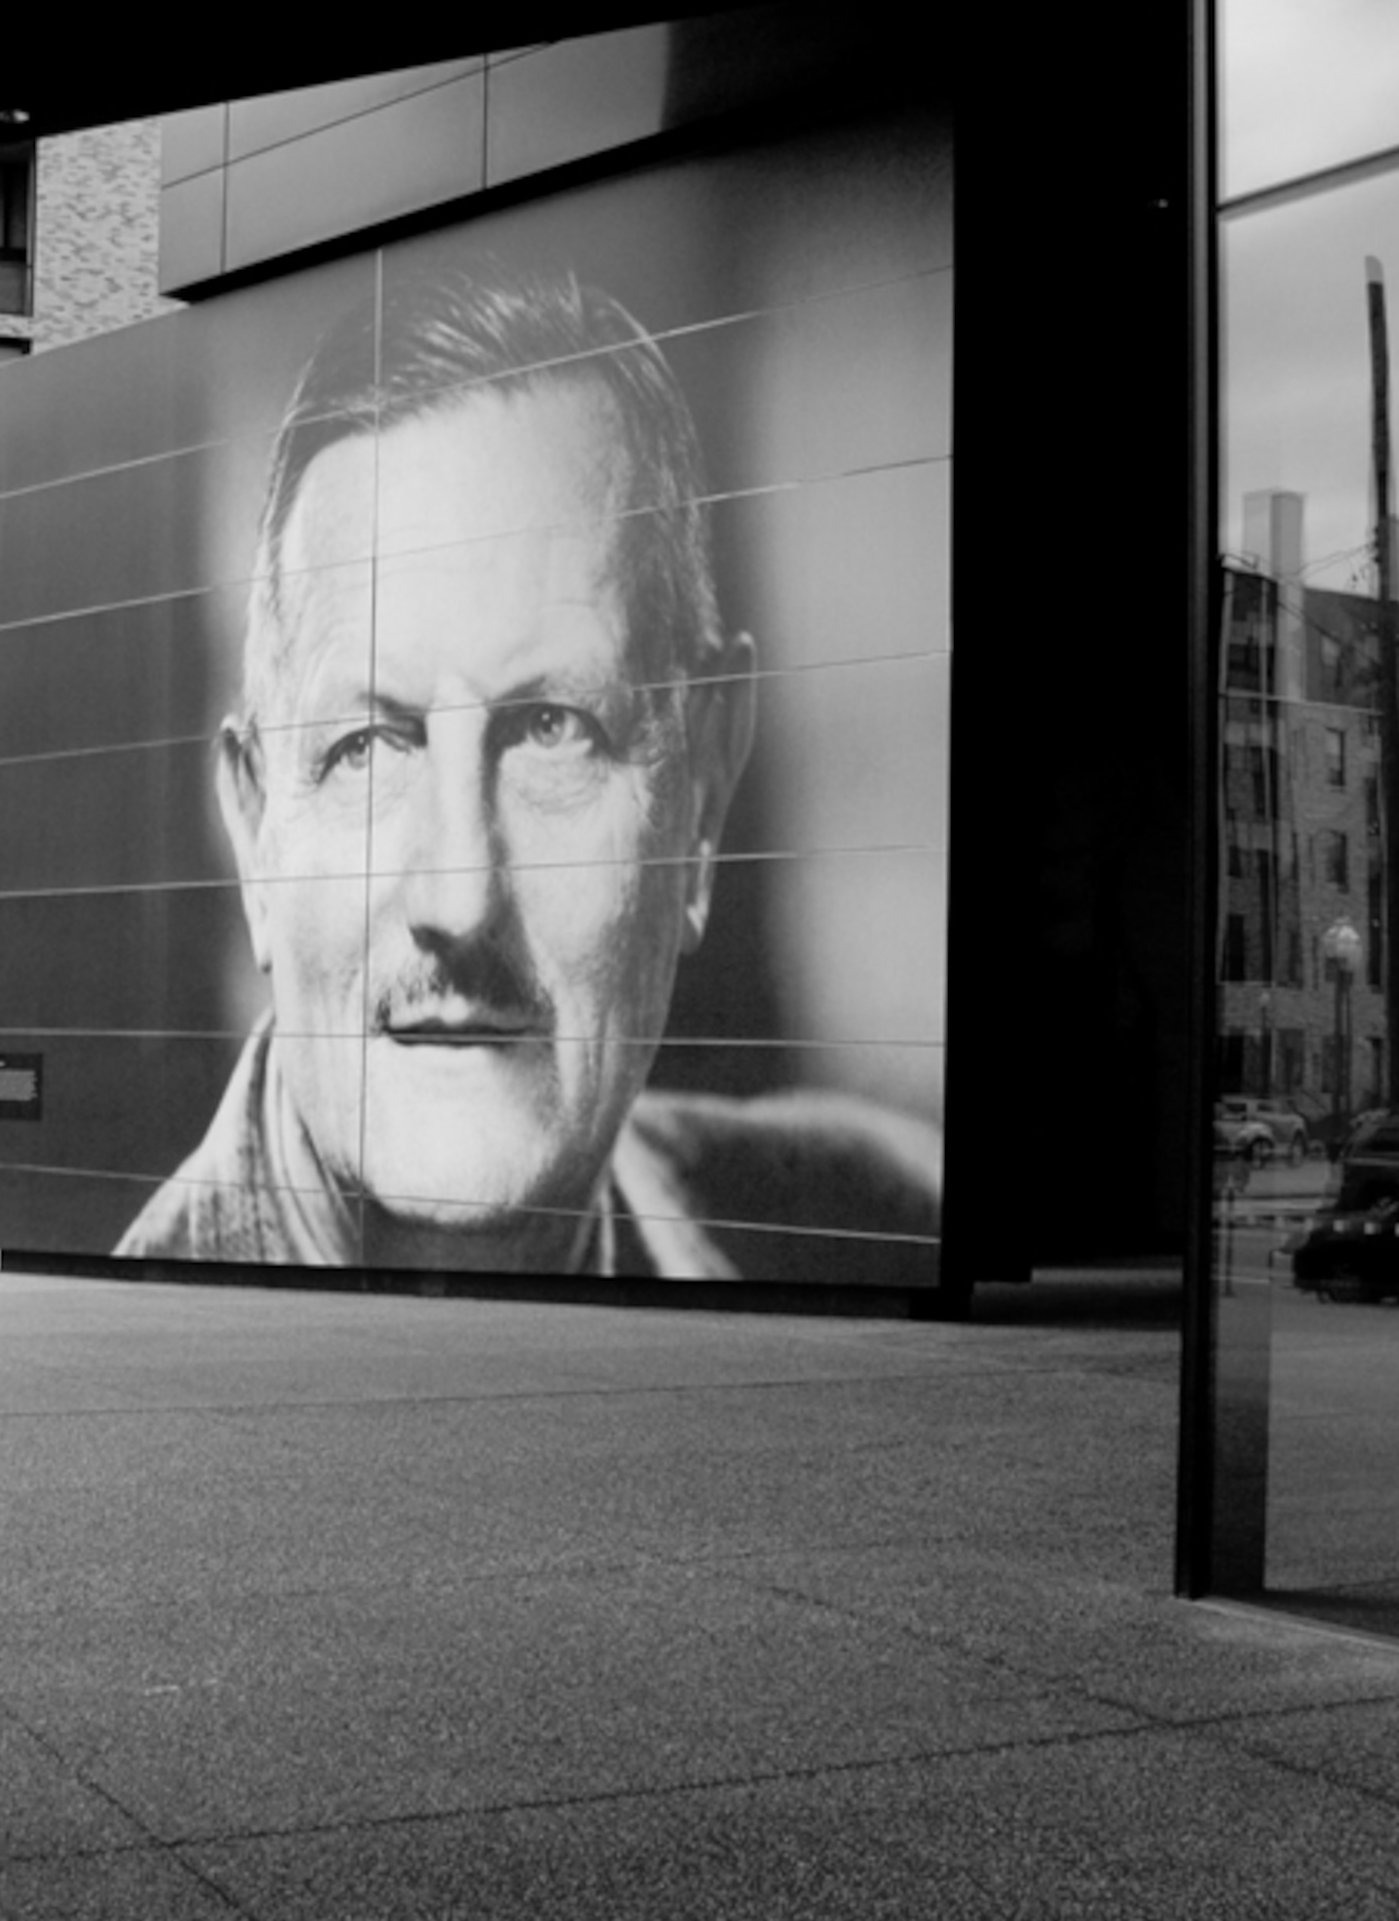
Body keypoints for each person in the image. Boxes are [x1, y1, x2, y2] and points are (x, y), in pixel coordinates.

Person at [116, 265, 940, 1276]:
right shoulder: (111, 1369)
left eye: (552, 729)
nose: (459, 897)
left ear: (702, 796)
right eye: (365, 748)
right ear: (254, 838)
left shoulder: (882, 1214)